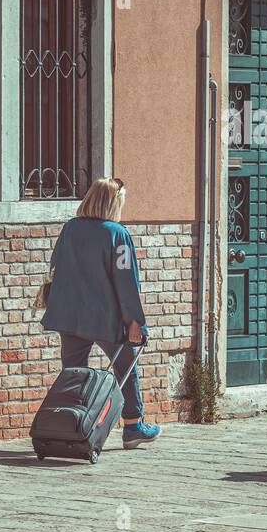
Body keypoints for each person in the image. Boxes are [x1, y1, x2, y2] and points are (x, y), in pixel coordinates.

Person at [39, 177, 162, 449]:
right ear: (113, 203)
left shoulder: (70, 229)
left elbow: (56, 265)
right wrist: (135, 321)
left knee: (73, 374)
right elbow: (126, 281)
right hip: (107, 318)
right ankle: (133, 426)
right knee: (126, 369)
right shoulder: (117, 234)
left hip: (70, 316)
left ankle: (71, 425)